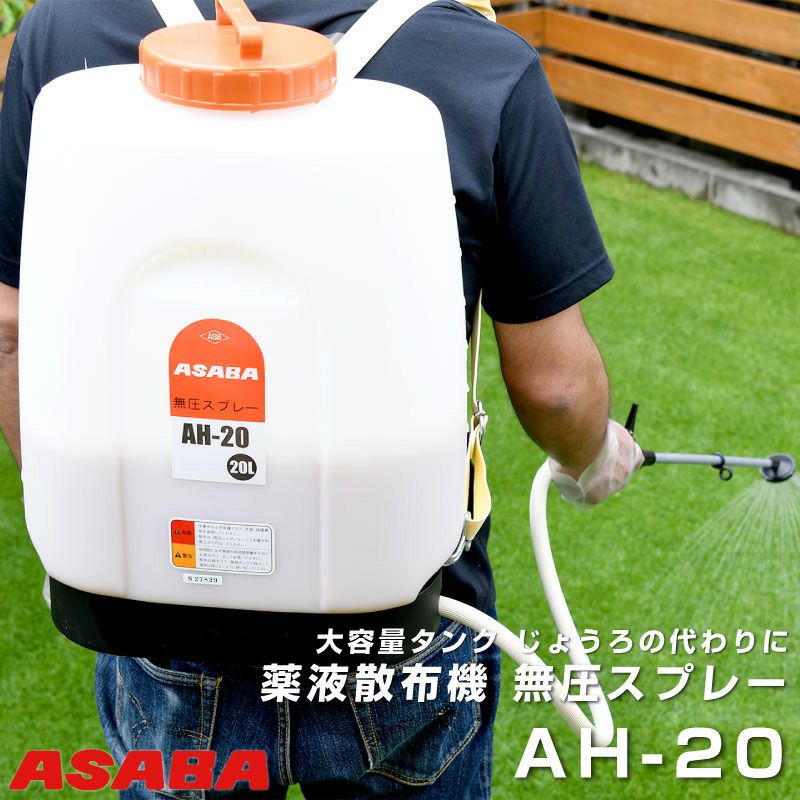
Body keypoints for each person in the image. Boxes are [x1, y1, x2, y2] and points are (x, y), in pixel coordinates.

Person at [0, 0, 642, 796]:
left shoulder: (67, 30)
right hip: (398, 622)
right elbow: (555, 386)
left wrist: (81, 520)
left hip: (159, 613)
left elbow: (11, 328)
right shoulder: (477, 62)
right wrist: (594, 458)